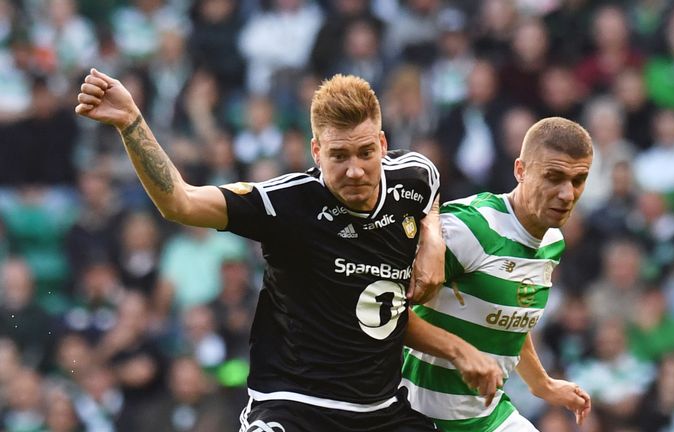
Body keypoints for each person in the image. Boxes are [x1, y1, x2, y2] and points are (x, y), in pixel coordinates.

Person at [75, 69, 502, 431]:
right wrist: (132, 122)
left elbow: (430, 187)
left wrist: (431, 237)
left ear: (383, 145)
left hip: (380, 411)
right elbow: (180, 202)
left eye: (366, 152)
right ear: (316, 152)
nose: (355, 169)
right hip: (293, 406)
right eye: (338, 156)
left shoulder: (413, 178)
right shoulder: (286, 204)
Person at [402, 117, 593, 431]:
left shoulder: (552, 241)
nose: (567, 194)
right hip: (418, 417)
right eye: (553, 176)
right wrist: (459, 351)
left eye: (578, 180)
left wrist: (541, 383)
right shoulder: (469, 229)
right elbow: (385, 310)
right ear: (520, 170)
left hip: (489, 418)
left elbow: (508, 313)